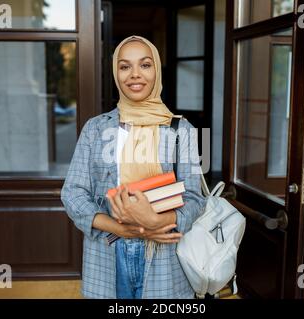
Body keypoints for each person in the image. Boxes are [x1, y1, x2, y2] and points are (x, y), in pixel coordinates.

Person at [61, 35, 206, 299]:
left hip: (165, 257)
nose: (135, 75)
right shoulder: (96, 129)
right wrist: (118, 227)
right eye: (125, 66)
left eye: (145, 65)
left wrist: (157, 221)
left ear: (157, 70)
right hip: (108, 251)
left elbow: (196, 199)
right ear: (116, 73)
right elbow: (73, 193)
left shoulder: (181, 130)